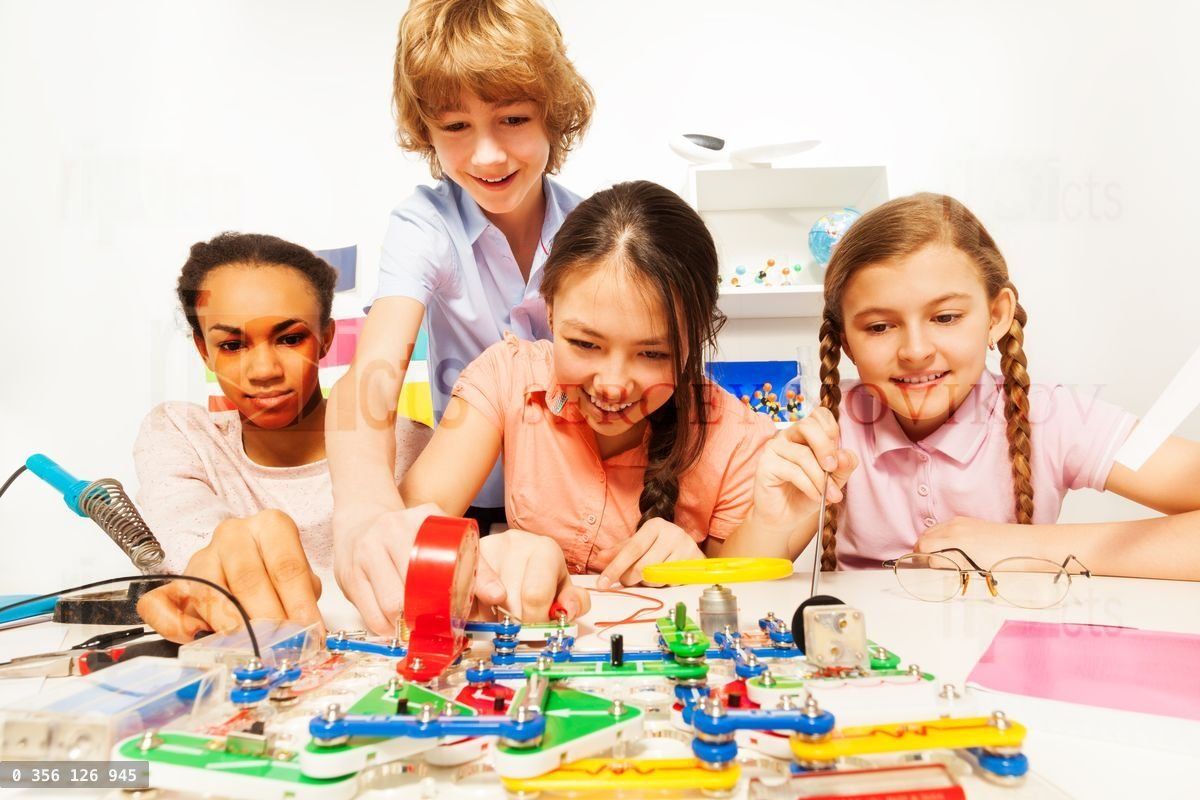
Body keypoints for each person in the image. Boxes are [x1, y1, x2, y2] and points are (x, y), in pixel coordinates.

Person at [135, 233, 585, 642]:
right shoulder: (181, 435)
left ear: (326, 338)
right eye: (232, 345)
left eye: (290, 338)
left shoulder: (411, 446)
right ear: (203, 351)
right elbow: (186, 530)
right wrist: (215, 553)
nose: (264, 371)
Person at [401, 181, 824, 588]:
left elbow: (744, 615)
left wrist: (704, 570)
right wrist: (492, 554)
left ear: (694, 341)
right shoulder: (506, 376)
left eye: (653, 353)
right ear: (549, 311)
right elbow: (407, 535)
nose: (613, 386)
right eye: (585, 344)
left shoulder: (736, 438)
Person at [761, 192, 1200, 580]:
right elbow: (738, 588)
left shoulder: (1055, 418)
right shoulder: (830, 434)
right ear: (846, 344)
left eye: (946, 317)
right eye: (879, 326)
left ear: (997, 316)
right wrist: (771, 516)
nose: (915, 350)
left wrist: (1026, 548)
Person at [327, 0, 595, 634]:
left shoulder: (592, 228)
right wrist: (363, 513)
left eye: (513, 119)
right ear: (426, 131)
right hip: (465, 500)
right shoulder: (426, 224)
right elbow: (372, 376)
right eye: (454, 126)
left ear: (554, 118)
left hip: (577, 503)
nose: (488, 155)